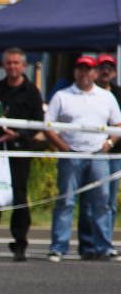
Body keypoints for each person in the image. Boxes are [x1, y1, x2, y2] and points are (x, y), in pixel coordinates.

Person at [0, 48, 46, 262]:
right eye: (8, 63)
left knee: (20, 196)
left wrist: (17, 134)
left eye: (16, 63)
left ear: (23, 66)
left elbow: (38, 122)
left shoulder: (31, 92)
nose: (12, 67)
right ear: (3, 65)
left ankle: (20, 244)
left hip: (19, 150)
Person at [44, 55, 121, 262]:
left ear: (94, 73)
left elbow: (118, 123)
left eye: (88, 69)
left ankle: (104, 247)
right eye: (81, 69)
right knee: (66, 201)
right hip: (72, 156)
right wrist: (63, 147)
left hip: (98, 155)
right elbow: (47, 124)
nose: (84, 73)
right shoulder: (62, 95)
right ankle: (58, 247)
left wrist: (109, 143)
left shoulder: (106, 97)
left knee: (101, 203)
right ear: (75, 72)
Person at [85, 53, 121, 258]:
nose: (105, 71)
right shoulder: (89, 93)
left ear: (114, 72)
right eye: (102, 67)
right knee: (89, 201)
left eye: (109, 67)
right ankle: (89, 245)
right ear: (95, 71)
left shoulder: (118, 94)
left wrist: (109, 143)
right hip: (92, 151)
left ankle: (105, 243)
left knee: (107, 202)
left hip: (114, 153)